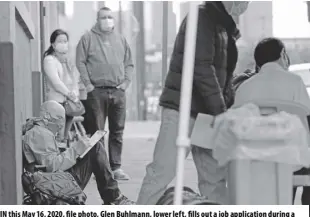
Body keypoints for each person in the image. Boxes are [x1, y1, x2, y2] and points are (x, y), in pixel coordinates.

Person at [137, 1, 249, 205]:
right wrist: (220, 110)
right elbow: (201, 67)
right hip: (183, 110)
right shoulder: (202, 18)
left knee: (214, 178)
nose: (247, 3)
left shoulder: (223, 24)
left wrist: (226, 105)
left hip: (207, 115)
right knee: (162, 171)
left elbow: (222, 75)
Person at [233, 37, 310, 205]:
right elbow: (306, 123)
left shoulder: (244, 88)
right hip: (291, 164)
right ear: (283, 54)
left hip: (253, 162)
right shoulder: (294, 82)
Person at [22, 100, 135, 205]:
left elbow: (49, 159)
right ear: (46, 116)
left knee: (93, 148)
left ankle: (112, 197)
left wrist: (76, 148)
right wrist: (76, 149)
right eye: (59, 118)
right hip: (56, 184)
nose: (61, 124)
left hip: (57, 181)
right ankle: (114, 198)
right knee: (95, 149)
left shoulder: (40, 131)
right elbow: (53, 166)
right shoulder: (40, 134)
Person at [76, 7, 134, 181]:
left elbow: (129, 63)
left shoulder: (121, 40)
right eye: (103, 17)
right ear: (97, 19)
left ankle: (116, 168)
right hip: (96, 92)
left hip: (118, 91)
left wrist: (125, 83)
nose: (107, 20)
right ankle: (100, 169)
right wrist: (88, 85)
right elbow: (80, 62)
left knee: (117, 131)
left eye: (110, 17)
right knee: (97, 132)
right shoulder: (87, 39)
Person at [43, 29, 80, 141]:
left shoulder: (67, 61)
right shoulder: (49, 60)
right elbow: (56, 82)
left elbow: (74, 80)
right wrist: (69, 94)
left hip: (68, 104)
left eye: (65, 41)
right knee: (57, 137)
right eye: (60, 41)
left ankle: (63, 157)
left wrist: (74, 92)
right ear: (53, 44)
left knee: (64, 137)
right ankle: (57, 157)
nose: (63, 44)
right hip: (56, 103)